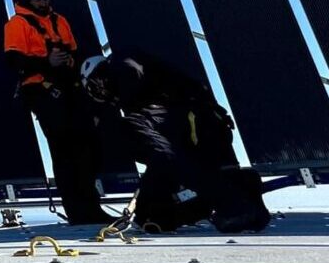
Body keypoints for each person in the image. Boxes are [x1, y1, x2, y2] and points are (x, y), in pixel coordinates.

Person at [80, 50, 272, 233]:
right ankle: (242, 190)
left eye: (97, 87)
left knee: (133, 134)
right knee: (150, 217)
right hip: (204, 123)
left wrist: (130, 113)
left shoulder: (121, 61)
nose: (102, 93)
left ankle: (231, 203)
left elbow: (132, 72)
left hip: (189, 118)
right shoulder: (155, 91)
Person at [3, 0, 113, 224]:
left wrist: (71, 61)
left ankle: (91, 207)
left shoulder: (59, 20)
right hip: (42, 92)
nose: (43, 3)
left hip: (71, 88)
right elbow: (13, 60)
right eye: (39, 0)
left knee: (87, 146)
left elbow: (75, 49)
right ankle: (78, 211)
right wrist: (46, 62)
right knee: (65, 150)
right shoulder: (16, 25)